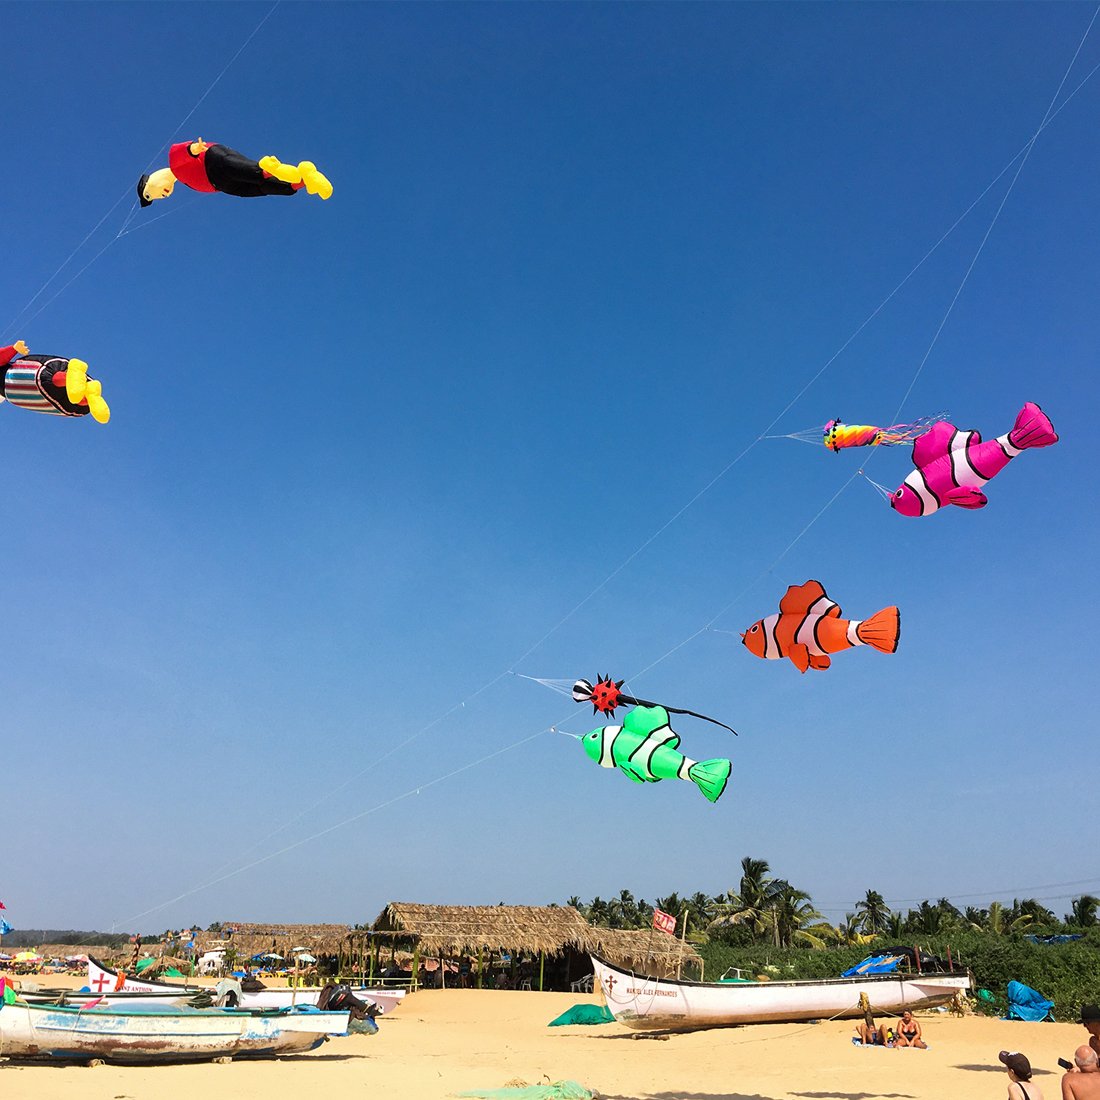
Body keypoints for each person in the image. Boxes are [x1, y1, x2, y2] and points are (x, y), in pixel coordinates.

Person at [137, 138, 332, 205]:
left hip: (213, 162)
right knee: (260, 188)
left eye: (151, 194)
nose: (163, 195)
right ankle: (301, 181)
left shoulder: (175, 164)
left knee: (248, 171)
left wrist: (192, 149)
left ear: (150, 183)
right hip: (225, 185)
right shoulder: (184, 180)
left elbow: (178, 152)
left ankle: (269, 168)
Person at [1, 340, 109, 422]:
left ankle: (72, 375)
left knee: (47, 381)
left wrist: (13, 349)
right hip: (19, 392)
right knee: (55, 392)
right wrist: (14, 348)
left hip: (17, 379)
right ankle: (90, 394)